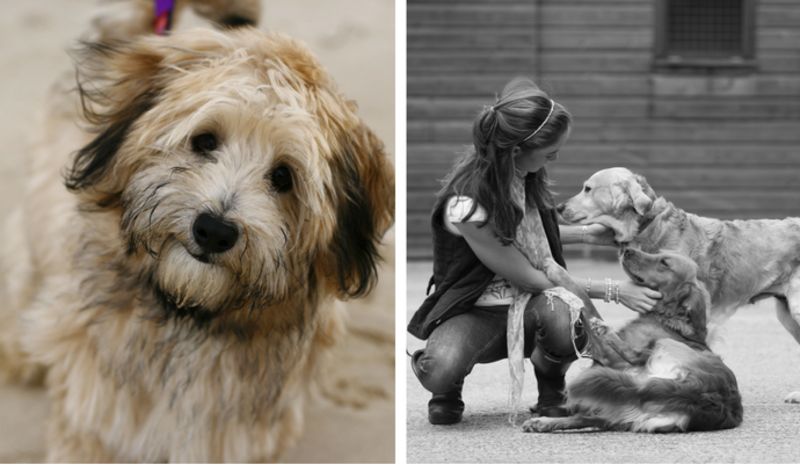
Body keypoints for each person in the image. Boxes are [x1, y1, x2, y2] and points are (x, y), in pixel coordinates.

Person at [407, 77, 662, 425]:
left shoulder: (522, 176)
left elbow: (529, 238)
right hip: (475, 310)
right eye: (549, 153)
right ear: (516, 150)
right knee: (440, 368)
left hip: (530, 309)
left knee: (561, 317)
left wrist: (590, 234)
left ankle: (551, 386)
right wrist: (614, 290)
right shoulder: (466, 206)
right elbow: (531, 274)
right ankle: (446, 387)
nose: (553, 159)